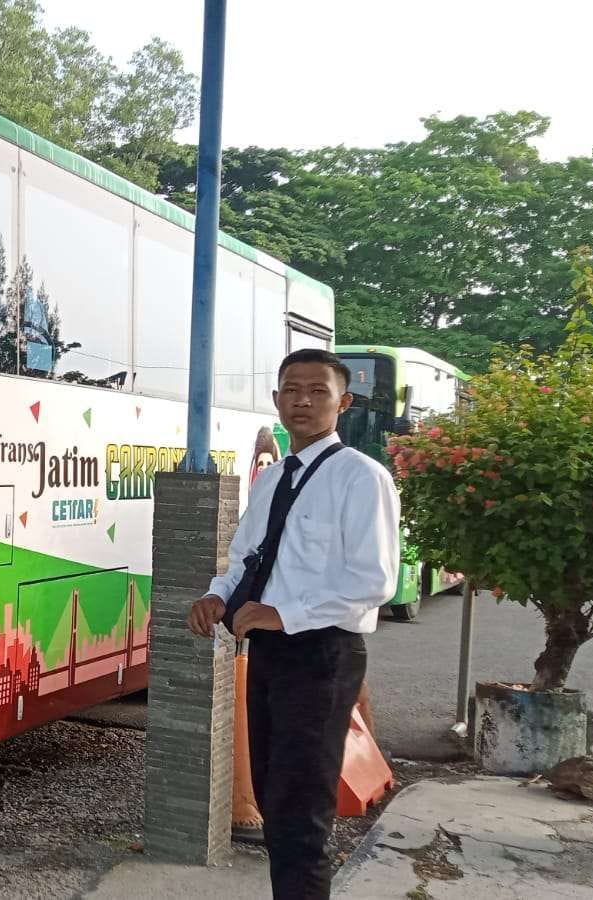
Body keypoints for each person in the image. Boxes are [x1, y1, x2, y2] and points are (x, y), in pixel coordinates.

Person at [188, 348, 400, 899]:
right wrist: (217, 598)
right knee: (274, 796)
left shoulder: (361, 478)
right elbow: (245, 560)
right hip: (270, 652)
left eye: (317, 391)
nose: (302, 401)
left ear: (343, 403)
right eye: (291, 390)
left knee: (302, 809)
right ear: (277, 399)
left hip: (323, 654)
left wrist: (287, 614)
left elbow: (374, 580)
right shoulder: (273, 477)